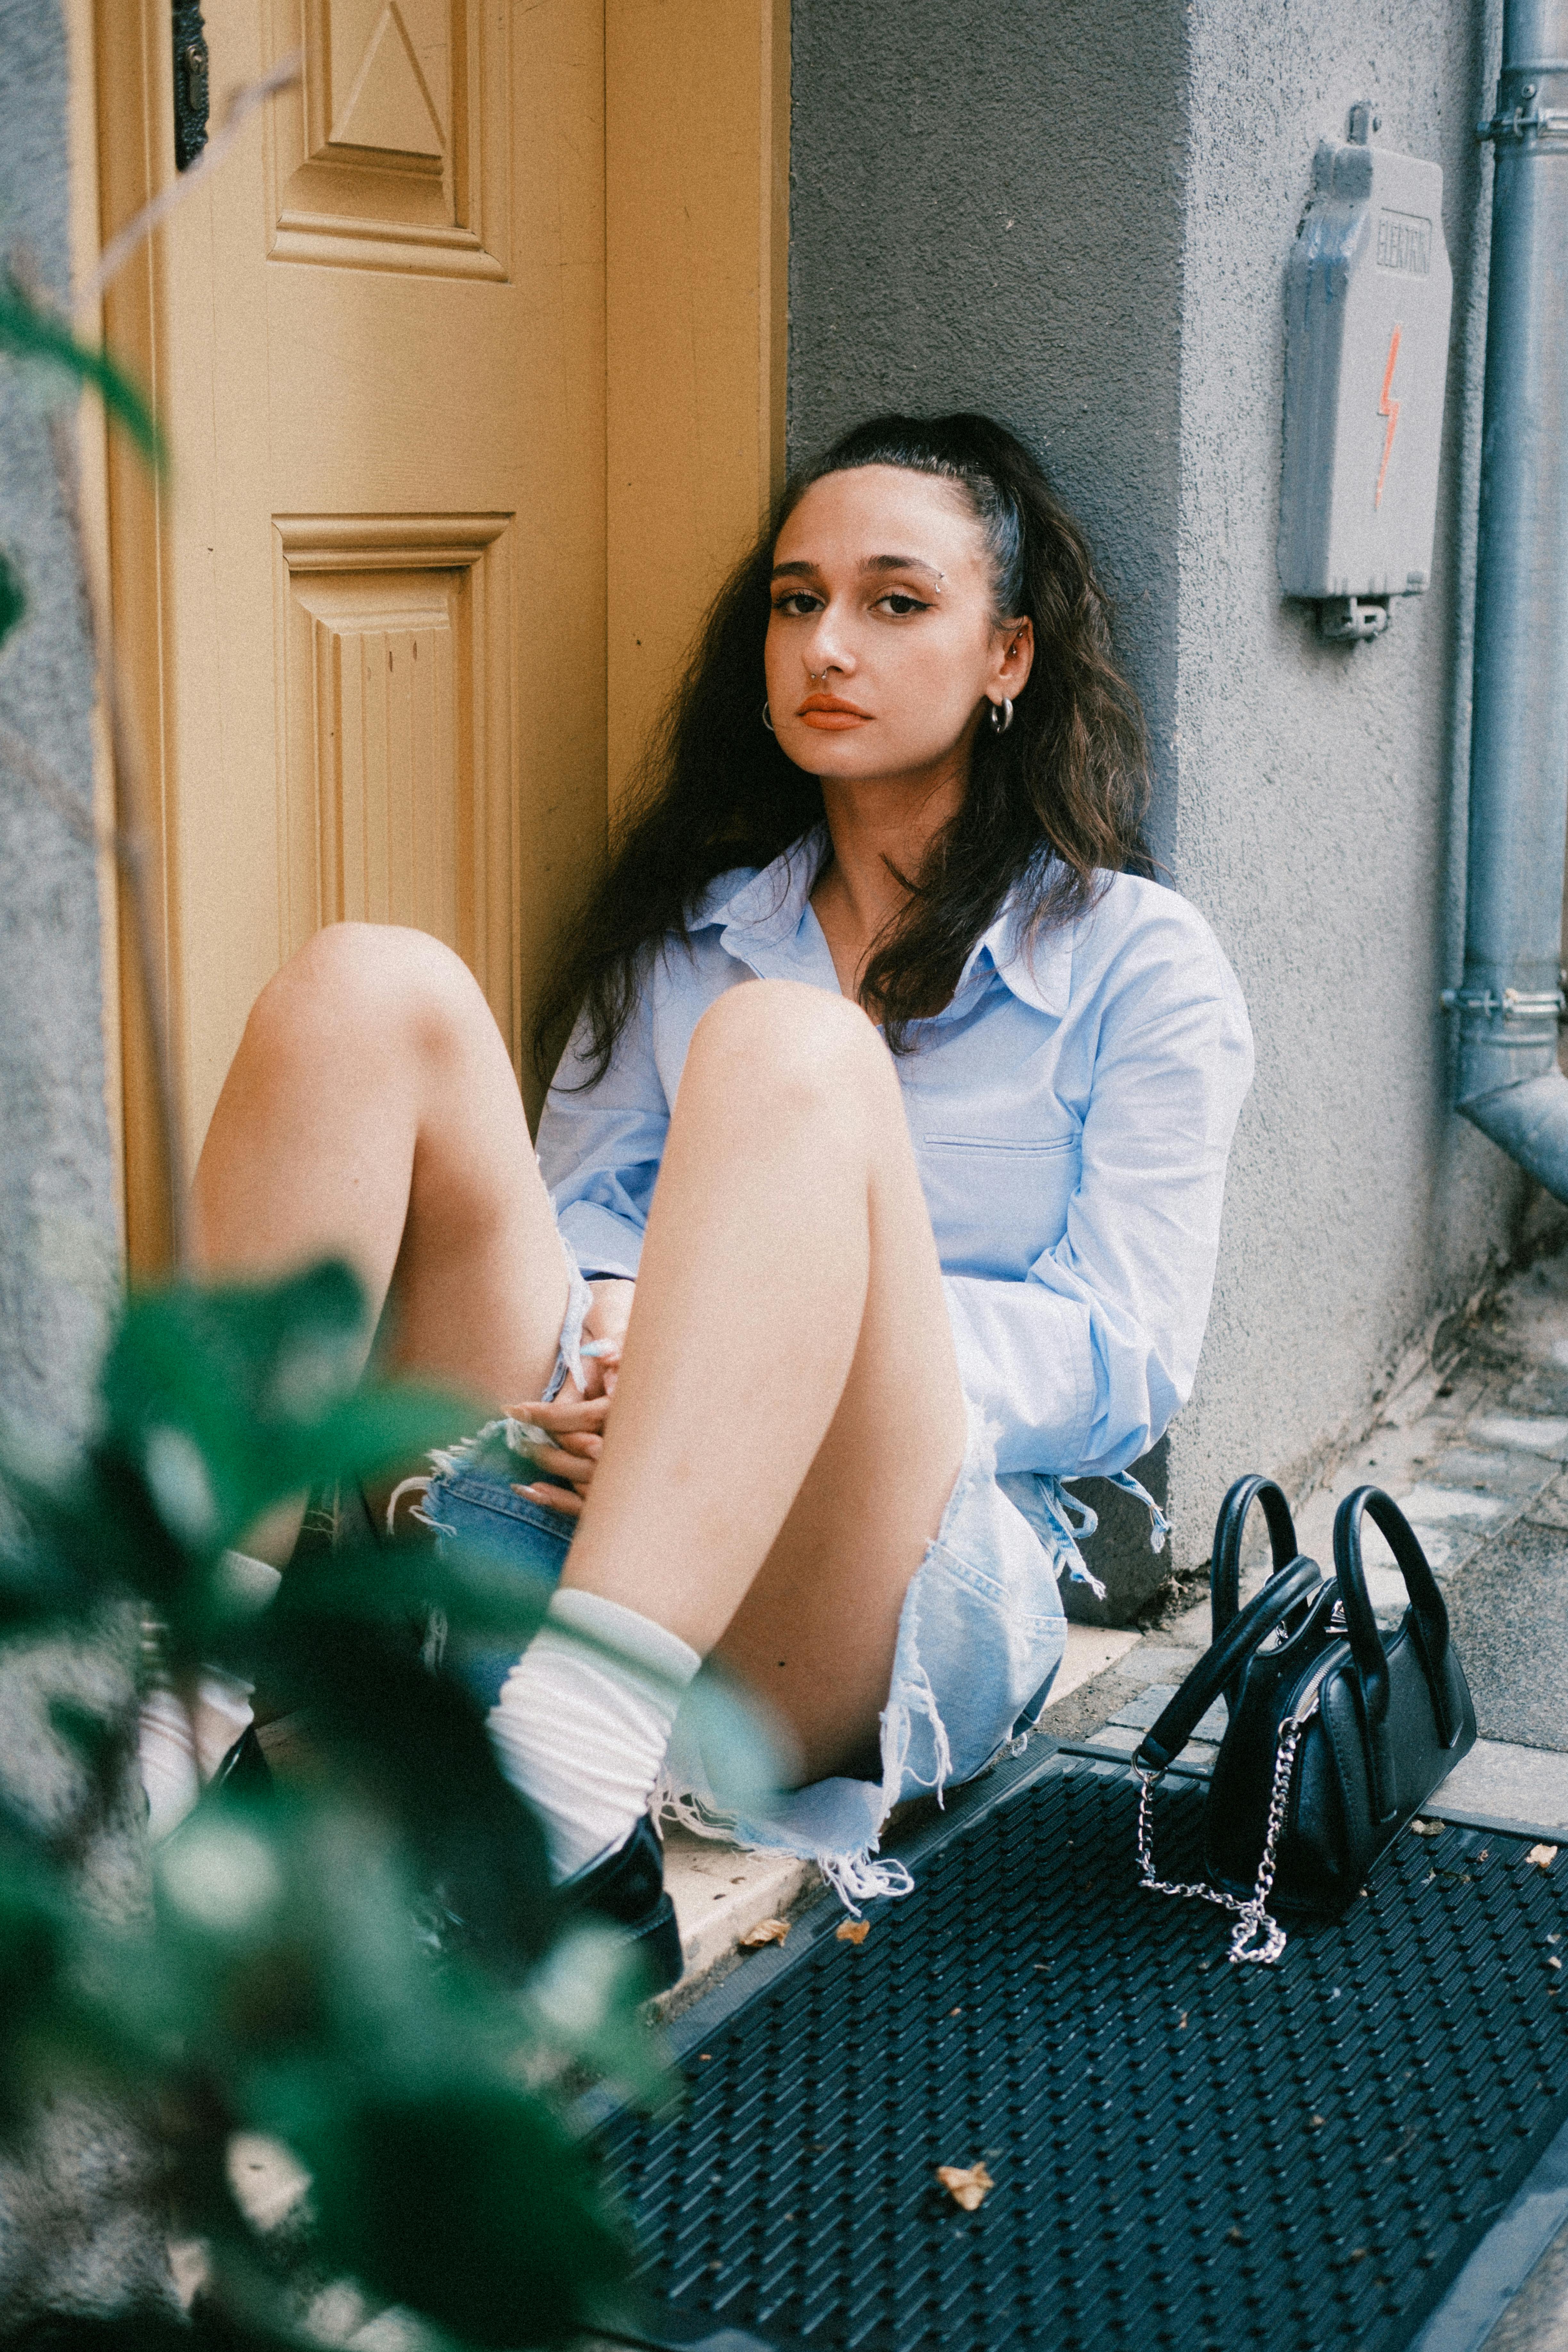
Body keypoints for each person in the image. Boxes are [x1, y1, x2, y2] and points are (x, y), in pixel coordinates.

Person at [187, 413, 1253, 1989]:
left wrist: (749, 1375)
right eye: (794, 598)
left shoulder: (1137, 962)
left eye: (897, 603)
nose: (828, 643)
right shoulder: (690, 936)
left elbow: (1126, 1360)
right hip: (574, 1508)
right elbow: (569, 1228)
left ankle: (559, 1811)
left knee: (794, 1056)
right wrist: (631, 1329)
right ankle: (161, 1711)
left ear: (1009, 656)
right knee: (368, 987)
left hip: (882, 1604)